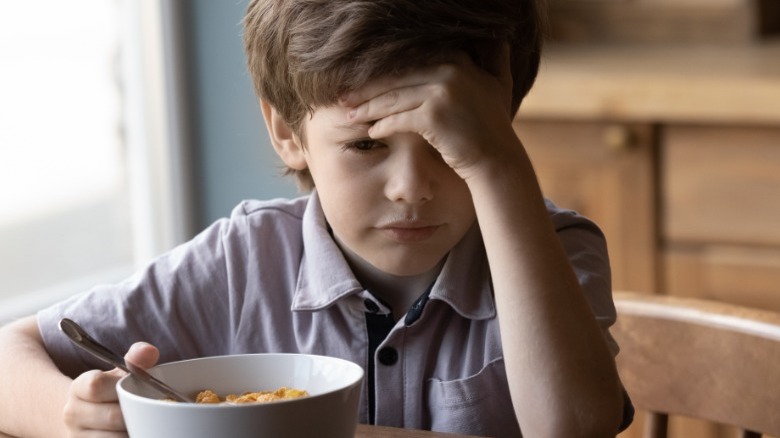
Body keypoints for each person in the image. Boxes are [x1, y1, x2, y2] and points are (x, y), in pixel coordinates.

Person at [0, 0, 633, 436]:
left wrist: (498, 168)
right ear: (286, 130)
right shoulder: (242, 263)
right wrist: (69, 412)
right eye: (365, 145)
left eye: (452, 145)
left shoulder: (555, 250)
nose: (412, 188)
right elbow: (8, 354)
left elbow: (574, 429)